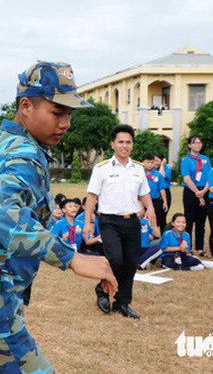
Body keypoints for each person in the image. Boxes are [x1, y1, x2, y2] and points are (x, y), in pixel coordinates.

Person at [0, 61, 116, 373]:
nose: (66, 123)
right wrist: (71, 258)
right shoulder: (25, 156)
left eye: (70, 114)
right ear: (25, 105)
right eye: (57, 112)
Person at [84, 124, 156, 319]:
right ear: (113, 144)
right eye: (121, 142)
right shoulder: (102, 169)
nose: (125, 145)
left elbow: (145, 194)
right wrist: (88, 223)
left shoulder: (138, 169)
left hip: (132, 221)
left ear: (132, 145)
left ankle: (123, 302)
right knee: (115, 259)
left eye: (128, 142)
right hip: (109, 222)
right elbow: (92, 196)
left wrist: (150, 208)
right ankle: (103, 290)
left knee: (131, 262)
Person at [180, 136, 211, 256]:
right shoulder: (186, 160)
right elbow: (187, 179)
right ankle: (188, 248)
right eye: (195, 143)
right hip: (190, 191)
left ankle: (199, 248)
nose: (198, 145)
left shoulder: (205, 159)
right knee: (189, 220)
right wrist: (198, 194)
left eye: (199, 142)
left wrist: (203, 192)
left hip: (204, 190)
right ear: (189, 145)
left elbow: (209, 177)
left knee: (201, 221)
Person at [143, 153, 169, 231]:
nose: (150, 165)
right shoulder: (140, 174)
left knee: (156, 219)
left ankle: (155, 237)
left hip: (156, 201)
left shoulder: (158, 175)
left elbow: (162, 188)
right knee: (143, 220)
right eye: (147, 162)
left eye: (152, 162)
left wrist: (165, 201)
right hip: (143, 201)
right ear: (143, 162)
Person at [137, 205, 162, 269]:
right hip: (134, 249)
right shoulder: (128, 221)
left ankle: (142, 262)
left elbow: (157, 235)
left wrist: (154, 224)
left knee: (162, 242)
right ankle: (143, 262)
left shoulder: (146, 221)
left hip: (146, 247)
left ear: (144, 210)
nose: (137, 209)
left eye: (139, 207)